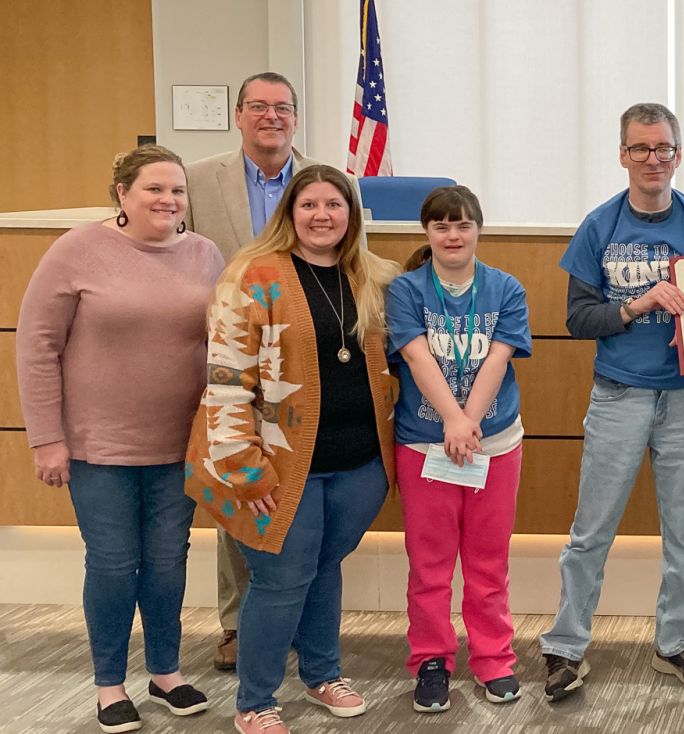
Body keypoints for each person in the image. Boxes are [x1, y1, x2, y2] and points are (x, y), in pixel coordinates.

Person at [185, 164, 399, 734]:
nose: (322, 215)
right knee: (280, 579)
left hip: (358, 462)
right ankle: (255, 701)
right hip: (278, 465)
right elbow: (226, 379)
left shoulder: (372, 275)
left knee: (325, 568)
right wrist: (241, 469)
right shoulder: (253, 276)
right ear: (290, 213)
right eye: (309, 205)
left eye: (334, 205)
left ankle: (322, 672)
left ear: (351, 216)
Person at [17, 144, 222, 733]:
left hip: (180, 444)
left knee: (166, 562)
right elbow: (36, 348)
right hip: (97, 447)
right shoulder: (77, 250)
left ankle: (165, 673)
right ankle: (110, 684)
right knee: (112, 564)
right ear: (123, 195)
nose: (168, 200)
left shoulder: (206, 254)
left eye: (178, 190)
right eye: (154, 189)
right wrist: (45, 439)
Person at [539, 102, 684, 700]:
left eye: (663, 149)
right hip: (618, 395)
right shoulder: (599, 226)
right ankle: (565, 647)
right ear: (622, 154)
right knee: (590, 531)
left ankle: (674, 641)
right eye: (641, 149)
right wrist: (638, 304)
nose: (653, 159)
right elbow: (577, 318)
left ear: (679, 154)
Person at [184, 70, 361, 673]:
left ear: (295, 116)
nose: (271, 116)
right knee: (244, 487)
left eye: (282, 107)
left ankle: (294, 631)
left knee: (306, 526)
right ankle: (239, 622)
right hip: (232, 360)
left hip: (305, 366)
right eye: (258, 106)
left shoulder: (331, 183)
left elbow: (357, 261)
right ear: (238, 115)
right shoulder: (197, 180)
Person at [388, 185, 532, 712]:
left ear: (478, 229)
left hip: (494, 444)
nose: (453, 235)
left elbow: (498, 357)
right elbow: (416, 355)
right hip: (427, 447)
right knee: (429, 564)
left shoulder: (505, 287)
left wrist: (469, 422)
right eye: (442, 226)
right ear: (426, 232)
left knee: (488, 562)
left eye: (463, 225)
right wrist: (451, 419)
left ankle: (494, 658)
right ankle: (431, 660)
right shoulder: (406, 290)